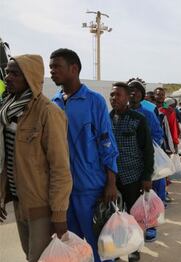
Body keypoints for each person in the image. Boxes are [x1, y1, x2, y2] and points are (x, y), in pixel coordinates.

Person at [0, 54, 72, 262]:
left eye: (14, 73)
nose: (8, 77)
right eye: (7, 72)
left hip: (40, 204)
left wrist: (59, 214)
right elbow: (4, 160)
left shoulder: (48, 113)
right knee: (29, 255)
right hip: (18, 199)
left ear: (30, 77)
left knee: (40, 258)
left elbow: (60, 167)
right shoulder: (7, 109)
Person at [50, 48, 118, 262]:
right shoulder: (53, 104)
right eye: (50, 67)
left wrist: (111, 183)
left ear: (74, 68)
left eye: (56, 66)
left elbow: (107, 144)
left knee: (98, 244)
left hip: (90, 188)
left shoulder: (94, 101)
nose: (52, 71)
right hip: (63, 192)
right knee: (73, 247)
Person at [109, 82, 154, 261]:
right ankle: (118, 249)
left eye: (118, 95)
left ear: (128, 97)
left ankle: (134, 248)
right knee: (115, 217)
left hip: (133, 177)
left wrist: (146, 176)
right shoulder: (106, 118)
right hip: (112, 178)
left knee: (134, 215)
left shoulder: (138, 119)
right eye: (112, 95)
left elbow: (147, 149)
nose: (114, 98)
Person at [127, 79, 164, 146]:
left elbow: (157, 135)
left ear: (142, 95)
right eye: (131, 90)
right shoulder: (118, 113)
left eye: (137, 91)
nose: (134, 93)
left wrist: (148, 148)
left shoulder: (149, 114)